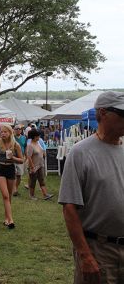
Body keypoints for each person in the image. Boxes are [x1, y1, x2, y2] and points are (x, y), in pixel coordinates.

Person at [58, 91, 124, 284]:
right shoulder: (80, 153)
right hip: (98, 249)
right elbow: (69, 208)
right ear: (103, 113)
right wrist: (85, 256)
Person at [26, 129, 53, 200]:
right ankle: (31, 195)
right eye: (37, 136)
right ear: (34, 137)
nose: (39, 137)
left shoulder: (37, 143)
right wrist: (32, 167)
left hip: (40, 165)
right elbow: (29, 157)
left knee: (41, 180)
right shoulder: (30, 146)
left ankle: (45, 194)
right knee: (33, 181)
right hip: (34, 166)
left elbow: (41, 150)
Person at [12, 125, 27, 196]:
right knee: (14, 174)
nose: (18, 130)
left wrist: (26, 156)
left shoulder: (24, 138)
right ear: (14, 130)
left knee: (19, 175)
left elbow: (25, 147)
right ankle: (14, 190)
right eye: (17, 129)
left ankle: (16, 188)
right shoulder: (12, 137)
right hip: (13, 158)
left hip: (21, 158)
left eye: (20, 129)